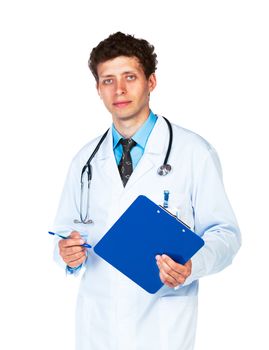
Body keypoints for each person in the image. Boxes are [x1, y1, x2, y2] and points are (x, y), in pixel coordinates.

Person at [52, 32, 241, 350]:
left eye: (129, 77)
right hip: (96, 328)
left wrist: (193, 265)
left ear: (151, 81)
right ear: (98, 89)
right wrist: (67, 254)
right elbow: (64, 233)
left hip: (162, 329)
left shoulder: (193, 152)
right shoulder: (84, 160)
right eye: (108, 80)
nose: (119, 90)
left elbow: (226, 234)